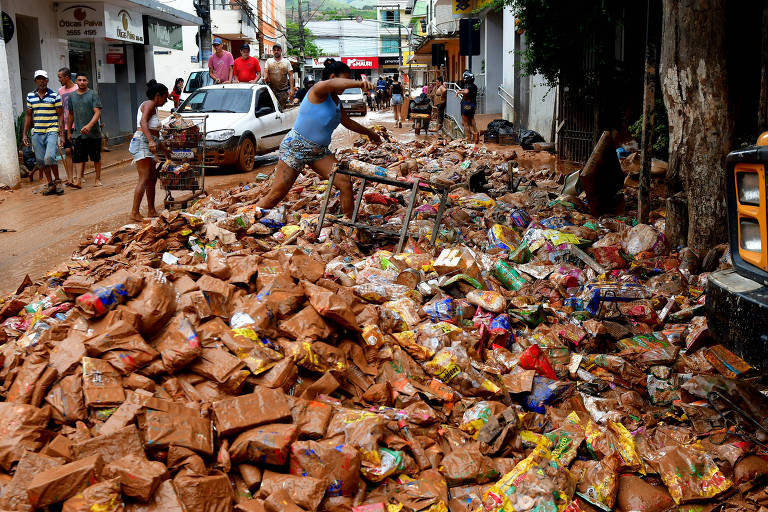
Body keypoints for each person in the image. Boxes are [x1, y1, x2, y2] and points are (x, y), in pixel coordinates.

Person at [257, 59, 381, 217]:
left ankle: (349, 226)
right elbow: (333, 84)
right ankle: (245, 221)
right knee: (276, 195)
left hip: (319, 152)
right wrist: (359, 83)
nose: (346, 83)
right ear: (332, 77)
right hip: (296, 147)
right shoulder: (319, 89)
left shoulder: (336, 101)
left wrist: (370, 132)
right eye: (345, 79)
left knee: (344, 182)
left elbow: (347, 122)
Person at [128, 80, 168, 221]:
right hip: (142, 142)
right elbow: (143, 123)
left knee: (151, 178)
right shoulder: (150, 104)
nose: (165, 101)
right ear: (158, 95)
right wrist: (151, 141)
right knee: (144, 178)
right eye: (165, 97)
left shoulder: (153, 107)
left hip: (148, 143)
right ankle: (134, 212)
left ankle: (151, 210)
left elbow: (155, 133)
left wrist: (165, 150)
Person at [23, 70, 64, 196]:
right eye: (39, 79)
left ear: (47, 80)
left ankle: (58, 181)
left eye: (43, 79)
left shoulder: (54, 95)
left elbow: (60, 114)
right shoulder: (31, 96)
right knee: (41, 160)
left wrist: (61, 133)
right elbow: (29, 116)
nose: (41, 81)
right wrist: (24, 134)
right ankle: (50, 184)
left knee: (50, 157)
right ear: (35, 81)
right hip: (37, 132)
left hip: (51, 130)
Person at [67, 72, 103, 188]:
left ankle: (97, 179)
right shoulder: (72, 96)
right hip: (78, 133)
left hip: (94, 133)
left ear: (87, 82)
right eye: (79, 80)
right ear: (76, 81)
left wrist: (89, 125)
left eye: (84, 80)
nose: (82, 82)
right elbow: (71, 115)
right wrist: (68, 131)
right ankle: (78, 180)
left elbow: (97, 112)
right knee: (78, 157)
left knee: (96, 157)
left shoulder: (93, 94)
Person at [57, 67, 77, 187]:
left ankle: (79, 176)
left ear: (67, 77)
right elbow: (60, 111)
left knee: (78, 151)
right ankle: (70, 178)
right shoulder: (60, 91)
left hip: (78, 125)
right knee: (68, 151)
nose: (59, 79)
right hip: (65, 125)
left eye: (60, 77)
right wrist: (60, 130)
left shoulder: (77, 89)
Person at [263, 44, 294, 110]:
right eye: (274, 50)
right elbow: (265, 71)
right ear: (273, 51)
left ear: (281, 51)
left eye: (278, 50)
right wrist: (264, 78)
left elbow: (291, 75)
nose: (276, 51)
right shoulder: (269, 61)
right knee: (272, 109)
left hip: (283, 90)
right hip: (271, 90)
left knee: (281, 109)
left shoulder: (286, 62)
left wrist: (292, 89)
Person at [459, 70, 479, 143]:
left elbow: (466, 91)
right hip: (473, 105)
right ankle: (476, 136)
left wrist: (459, 92)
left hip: (466, 105)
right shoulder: (474, 86)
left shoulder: (467, 86)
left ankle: (469, 140)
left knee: (465, 123)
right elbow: (468, 91)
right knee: (472, 120)